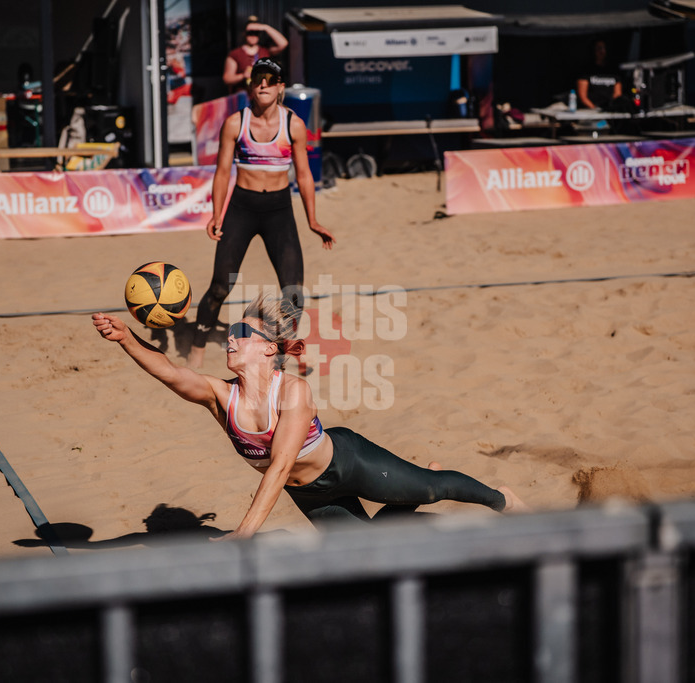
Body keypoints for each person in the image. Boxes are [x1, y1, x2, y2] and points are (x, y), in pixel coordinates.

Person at [93, 294, 527, 541]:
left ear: (267, 348)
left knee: (435, 489)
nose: (232, 338)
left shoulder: (294, 391)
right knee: (362, 552)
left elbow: (280, 464)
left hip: (348, 463)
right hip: (310, 492)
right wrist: (125, 338)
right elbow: (170, 372)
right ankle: (411, 490)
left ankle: (501, 499)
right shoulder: (218, 395)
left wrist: (245, 532)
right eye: (231, 332)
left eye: (243, 333)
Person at [188, 58, 334, 370]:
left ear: (281, 86)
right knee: (220, 287)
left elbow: (305, 175)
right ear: (251, 86)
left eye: (270, 79)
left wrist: (312, 220)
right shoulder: (235, 123)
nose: (263, 84)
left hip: (279, 210)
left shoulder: (293, 124)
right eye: (258, 79)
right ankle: (197, 346)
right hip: (242, 208)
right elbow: (222, 172)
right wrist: (216, 214)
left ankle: (294, 349)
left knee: (293, 290)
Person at [223, 18, 288, 94]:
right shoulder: (235, 54)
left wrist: (266, 27)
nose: (253, 36)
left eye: (256, 33)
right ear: (244, 34)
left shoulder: (265, 51)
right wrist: (243, 75)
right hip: (244, 96)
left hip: (262, 94)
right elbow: (227, 79)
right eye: (250, 33)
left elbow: (283, 44)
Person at [576, 39, 623, 110]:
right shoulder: (586, 70)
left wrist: (611, 108)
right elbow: (583, 96)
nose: (602, 51)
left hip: (610, 109)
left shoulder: (613, 71)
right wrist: (595, 109)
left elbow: (618, 94)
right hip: (590, 110)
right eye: (599, 48)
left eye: (604, 48)